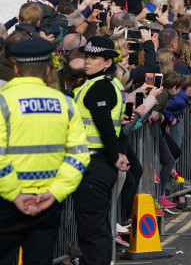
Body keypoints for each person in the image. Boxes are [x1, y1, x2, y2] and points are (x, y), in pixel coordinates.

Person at [0, 38, 90, 265]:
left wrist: (15, 194)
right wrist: (56, 191)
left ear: (17, 68)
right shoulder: (66, 104)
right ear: (48, 69)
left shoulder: (3, 102)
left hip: (6, 201)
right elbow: (79, 156)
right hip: (47, 201)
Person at [73, 36, 130, 265]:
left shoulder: (99, 88)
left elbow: (105, 127)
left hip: (94, 163)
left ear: (107, 62)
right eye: (86, 56)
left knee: (92, 228)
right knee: (94, 225)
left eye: (93, 58)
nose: (87, 61)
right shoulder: (100, 84)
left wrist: (114, 155)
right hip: (94, 161)